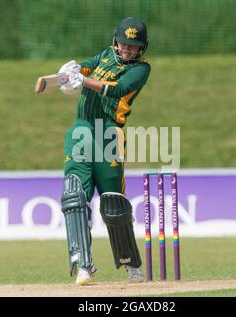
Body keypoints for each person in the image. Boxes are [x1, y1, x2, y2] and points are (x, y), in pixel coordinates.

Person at [58, 17, 151, 285]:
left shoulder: (142, 69)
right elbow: (85, 67)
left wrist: (82, 82)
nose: (128, 50)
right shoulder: (105, 56)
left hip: (109, 134)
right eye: (125, 43)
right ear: (115, 40)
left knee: (113, 203)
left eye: (134, 46)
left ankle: (129, 262)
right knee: (75, 194)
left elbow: (117, 89)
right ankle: (82, 264)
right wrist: (72, 71)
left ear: (142, 48)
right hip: (82, 130)